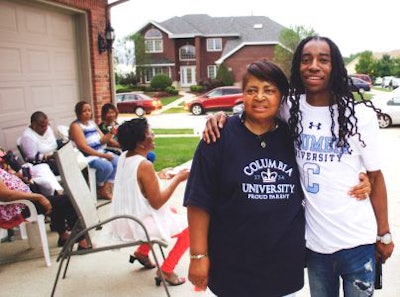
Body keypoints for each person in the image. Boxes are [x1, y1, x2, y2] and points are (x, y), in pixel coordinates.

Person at [203, 36, 394, 296]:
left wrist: (384, 233)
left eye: (323, 60)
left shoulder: (360, 116)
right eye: (306, 60)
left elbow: (376, 176)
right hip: (315, 245)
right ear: (298, 67)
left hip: (357, 241)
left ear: (335, 66)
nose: (313, 66)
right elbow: (258, 107)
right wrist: (221, 117)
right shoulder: (290, 108)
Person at [184, 60, 305, 297]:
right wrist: (198, 256)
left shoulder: (294, 138)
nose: (260, 97)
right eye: (252, 90)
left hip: (283, 265)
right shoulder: (218, 136)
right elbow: (199, 200)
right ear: (243, 95)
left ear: (281, 97)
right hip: (232, 265)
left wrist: (362, 179)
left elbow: (326, 168)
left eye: (269, 90)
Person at [110, 118, 189, 286]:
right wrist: (178, 179)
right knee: (191, 229)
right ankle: (167, 270)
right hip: (136, 223)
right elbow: (157, 203)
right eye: (149, 133)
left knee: (172, 213)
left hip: (125, 218)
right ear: (140, 143)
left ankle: (142, 253)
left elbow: (136, 182)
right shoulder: (144, 165)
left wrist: (158, 174)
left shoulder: (125, 156)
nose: (153, 135)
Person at [0, 166, 85, 248]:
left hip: (22, 202)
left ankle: (63, 236)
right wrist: (39, 197)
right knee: (67, 201)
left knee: (55, 200)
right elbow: (6, 195)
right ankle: (83, 242)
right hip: (17, 209)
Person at [69, 101, 119, 200]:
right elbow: (84, 147)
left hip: (99, 151)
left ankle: (104, 189)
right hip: (87, 155)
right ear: (78, 113)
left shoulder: (92, 124)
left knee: (118, 161)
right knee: (107, 167)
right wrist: (104, 156)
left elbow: (102, 141)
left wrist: (111, 133)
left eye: (89, 110)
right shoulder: (76, 126)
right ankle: (98, 186)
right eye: (84, 111)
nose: (88, 113)